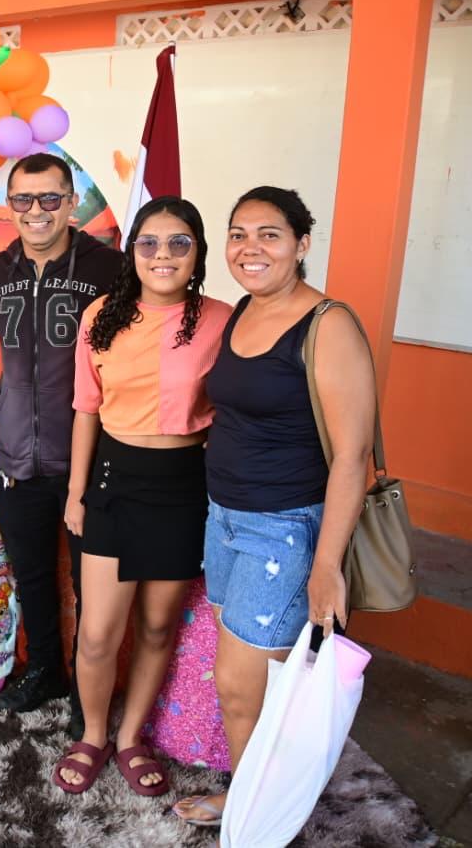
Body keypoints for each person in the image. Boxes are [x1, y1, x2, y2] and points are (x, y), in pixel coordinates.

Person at [172, 186, 375, 827]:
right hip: (225, 518)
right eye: (238, 234)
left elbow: (353, 457)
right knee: (247, 680)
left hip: (285, 528)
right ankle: (251, 795)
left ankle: (257, 818)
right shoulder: (242, 310)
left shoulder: (328, 325)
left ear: (301, 244)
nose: (249, 248)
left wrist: (327, 564)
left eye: (269, 234)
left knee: (242, 682)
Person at [53, 197, 233, 795]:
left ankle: (131, 736)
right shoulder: (102, 315)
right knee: (98, 632)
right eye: (149, 242)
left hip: (184, 486)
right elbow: (85, 410)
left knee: (157, 627)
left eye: (179, 242)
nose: (163, 255)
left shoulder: (222, 320)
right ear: (132, 251)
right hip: (114, 481)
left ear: (198, 253)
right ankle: (93, 734)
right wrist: (76, 494)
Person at [0, 153, 120, 728]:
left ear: (71, 202)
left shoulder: (110, 268)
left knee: (91, 586)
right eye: (23, 199)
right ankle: (45, 670)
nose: (36, 211)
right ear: (9, 205)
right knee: (31, 576)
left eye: (50, 198)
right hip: (16, 459)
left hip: (91, 458)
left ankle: (89, 688)